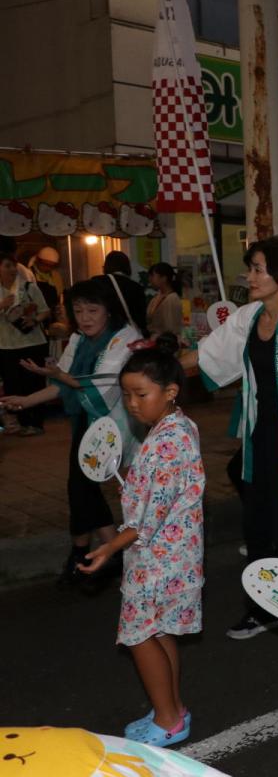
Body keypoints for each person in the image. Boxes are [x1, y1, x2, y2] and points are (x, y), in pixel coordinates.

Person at [180, 237, 278, 639]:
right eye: (251, 268)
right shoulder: (247, 317)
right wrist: (159, 371)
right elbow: (208, 353)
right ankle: (260, 607)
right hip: (260, 439)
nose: (250, 276)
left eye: (259, 269)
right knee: (257, 527)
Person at [77, 334, 205, 748]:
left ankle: (168, 719)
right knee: (160, 631)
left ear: (170, 391)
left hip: (158, 559)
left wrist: (109, 547)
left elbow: (150, 518)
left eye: (140, 394)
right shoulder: (176, 426)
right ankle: (171, 709)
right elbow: (157, 494)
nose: (132, 403)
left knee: (138, 634)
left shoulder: (168, 440)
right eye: (127, 395)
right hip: (171, 557)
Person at [0, 276, 140, 585]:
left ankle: (95, 553)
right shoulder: (78, 340)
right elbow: (61, 381)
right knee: (82, 489)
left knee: (82, 488)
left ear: (108, 310)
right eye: (79, 311)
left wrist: (56, 377)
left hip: (114, 426)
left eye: (93, 310)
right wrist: (26, 400)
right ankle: (106, 553)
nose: (85, 318)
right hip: (86, 424)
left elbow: (101, 386)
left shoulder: (124, 338)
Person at [0, 250, 51, 436]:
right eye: (7, 266)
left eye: (13, 265)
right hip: (6, 345)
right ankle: (19, 423)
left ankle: (36, 423)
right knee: (13, 384)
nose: (12, 269)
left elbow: (46, 311)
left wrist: (35, 319)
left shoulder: (29, 287)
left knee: (34, 383)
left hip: (32, 343)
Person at [103, 251, 149, 335]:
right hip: (128, 334)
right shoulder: (136, 287)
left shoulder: (98, 283)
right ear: (127, 266)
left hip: (104, 332)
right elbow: (141, 317)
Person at [146, 262, 184, 338]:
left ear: (164, 278)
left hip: (164, 342)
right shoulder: (157, 297)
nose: (150, 279)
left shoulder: (172, 298)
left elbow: (172, 328)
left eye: (153, 276)